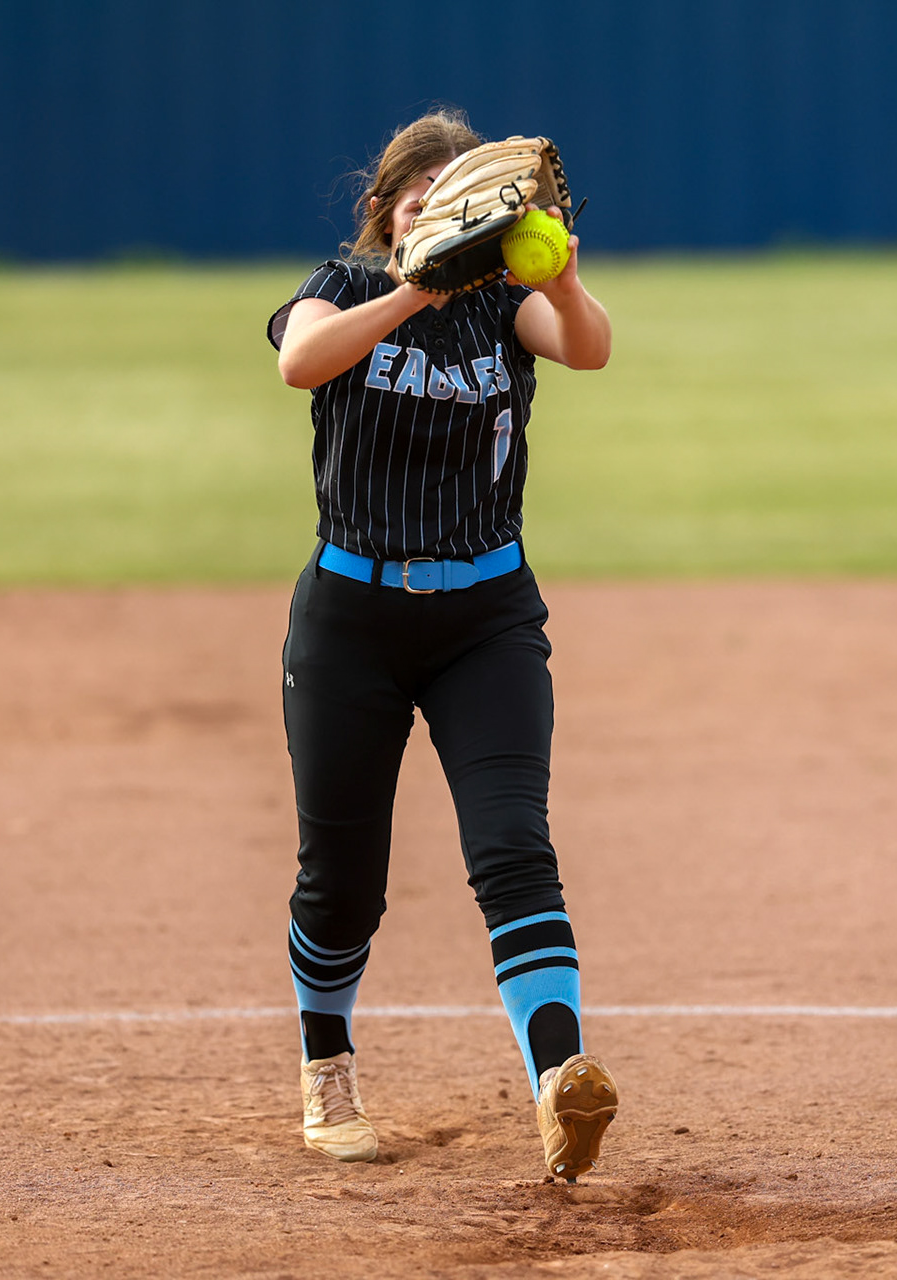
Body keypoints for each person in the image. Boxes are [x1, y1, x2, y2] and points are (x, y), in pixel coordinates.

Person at [265, 109, 618, 1181]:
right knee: (344, 881)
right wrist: (417, 278)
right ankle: (327, 1064)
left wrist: (550, 266)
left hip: (488, 621)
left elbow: (593, 346)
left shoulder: (509, 309)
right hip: (351, 623)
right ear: (387, 215)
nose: (447, 223)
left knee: (514, 847)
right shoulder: (339, 286)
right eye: (425, 206)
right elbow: (300, 363)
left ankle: (561, 1084)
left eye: (466, 206)